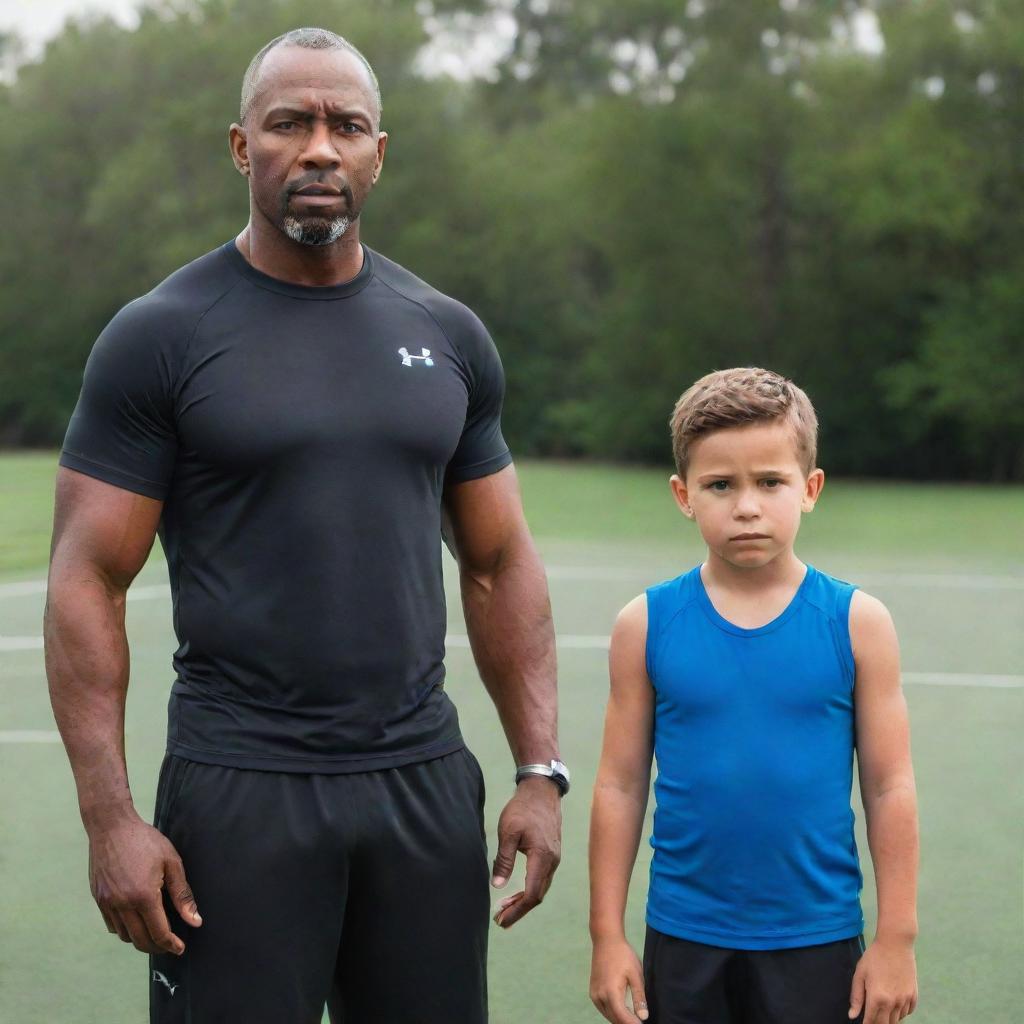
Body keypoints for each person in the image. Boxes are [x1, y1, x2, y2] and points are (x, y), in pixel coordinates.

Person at [44, 27, 567, 1024]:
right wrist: (109, 818)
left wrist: (538, 772)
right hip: (239, 787)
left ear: (378, 152)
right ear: (243, 147)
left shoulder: (446, 334)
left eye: (346, 125)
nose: (319, 147)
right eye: (289, 122)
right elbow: (86, 581)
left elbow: (499, 561)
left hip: (420, 782)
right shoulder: (161, 335)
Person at [588, 367, 919, 1024]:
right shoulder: (646, 624)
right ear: (684, 495)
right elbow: (620, 787)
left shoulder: (858, 624)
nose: (746, 506)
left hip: (816, 940)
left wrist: (896, 940)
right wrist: (606, 937)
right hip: (683, 938)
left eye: (770, 482)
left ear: (810, 488)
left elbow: (890, 788)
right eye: (720, 485)